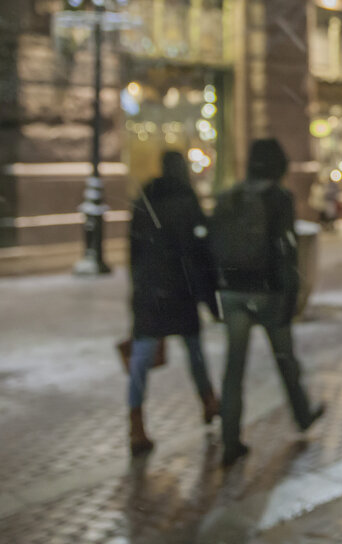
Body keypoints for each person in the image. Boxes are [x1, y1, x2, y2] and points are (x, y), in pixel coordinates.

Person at [212, 138, 324, 467]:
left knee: (234, 369)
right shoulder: (280, 198)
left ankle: (230, 439)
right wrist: (290, 297)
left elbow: (213, 245)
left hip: (232, 292)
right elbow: (285, 251)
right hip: (268, 291)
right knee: (285, 358)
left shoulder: (230, 196)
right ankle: (302, 415)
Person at [127, 150, 219, 457]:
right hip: (180, 290)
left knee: (140, 358)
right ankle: (208, 400)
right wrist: (210, 297)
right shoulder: (186, 201)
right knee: (194, 349)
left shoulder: (145, 199)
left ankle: (136, 423)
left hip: (150, 291)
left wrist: (139, 285)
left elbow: (134, 249)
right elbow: (200, 253)